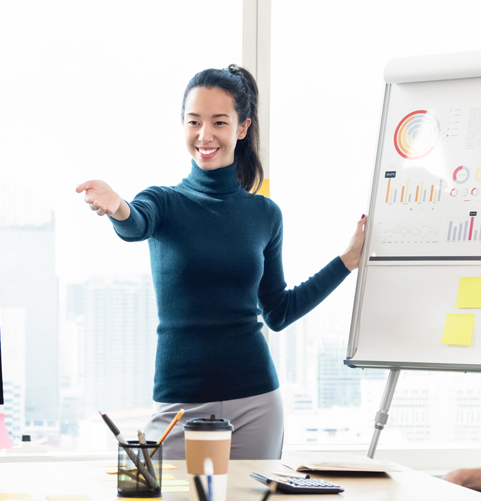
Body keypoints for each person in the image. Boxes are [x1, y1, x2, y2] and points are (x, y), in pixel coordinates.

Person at [76, 64, 365, 460]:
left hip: (256, 400)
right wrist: (118, 209)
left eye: (219, 122)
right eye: (194, 121)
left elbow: (278, 311)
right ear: (182, 125)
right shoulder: (163, 202)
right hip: (180, 404)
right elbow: (136, 223)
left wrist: (347, 261)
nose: (205, 135)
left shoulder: (265, 214)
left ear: (242, 128)